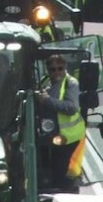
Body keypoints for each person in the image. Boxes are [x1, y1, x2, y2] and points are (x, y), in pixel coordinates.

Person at [37, 54, 84, 191]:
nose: (57, 72)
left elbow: (71, 107)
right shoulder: (45, 82)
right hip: (49, 135)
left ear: (65, 67)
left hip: (68, 136)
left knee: (63, 175)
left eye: (60, 68)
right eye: (53, 69)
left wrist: (47, 100)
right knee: (48, 171)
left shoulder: (71, 83)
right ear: (47, 70)